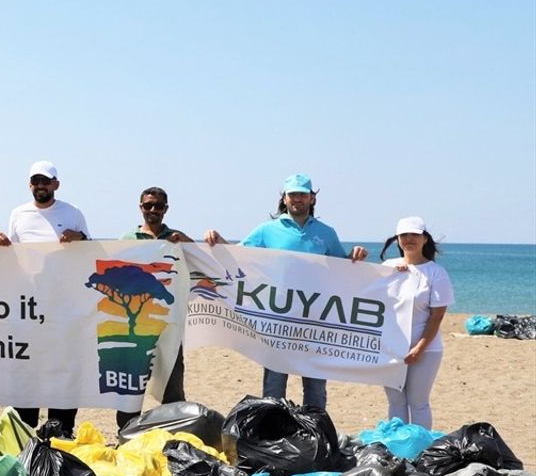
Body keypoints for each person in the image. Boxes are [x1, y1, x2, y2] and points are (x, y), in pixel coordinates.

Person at [204, 173, 367, 409]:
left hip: (314, 323)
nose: (297, 199)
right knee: (273, 388)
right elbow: (239, 258)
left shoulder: (327, 233)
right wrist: (218, 240)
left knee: (315, 389)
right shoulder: (266, 231)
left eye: (302, 194)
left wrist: (356, 257)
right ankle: (271, 437)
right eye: (292, 195)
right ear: (284, 198)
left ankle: (315, 432)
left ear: (312, 199)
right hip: (277, 323)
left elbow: (342, 270)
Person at [0, 161, 89, 436]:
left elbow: (90, 252)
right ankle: (25, 428)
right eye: (35, 181)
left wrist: (80, 236)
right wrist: (1, 245)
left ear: (56, 185)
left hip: (63, 304)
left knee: (62, 366)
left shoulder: (72, 213)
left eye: (46, 181)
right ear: (30, 185)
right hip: (28, 306)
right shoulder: (18, 214)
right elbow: (10, 254)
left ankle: (60, 428)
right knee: (28, 366)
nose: (40, 186)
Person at [116, 186, 190, 430]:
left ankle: (174, 436)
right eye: (148, 205)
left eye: (158, 206)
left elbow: (203, 260)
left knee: (172, 385)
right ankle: (126, 434)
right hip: (134, 327)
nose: (153, 210)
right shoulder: (126, 241)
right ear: (141, 208)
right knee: (130, 389)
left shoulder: (176, 239)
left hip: (169, 326)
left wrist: (186, 242)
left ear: (166, 209)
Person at [380, 216, 453, 428]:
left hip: (426, 350)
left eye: (414, 234)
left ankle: (420, 453)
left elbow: (437, 316)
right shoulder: (388, 266)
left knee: (418, 402)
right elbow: (369, 296)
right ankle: (398, 448)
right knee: (396, 402)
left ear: (424, 239)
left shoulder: (436, 272)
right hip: (391, 348)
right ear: (397, 240)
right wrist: (393, 274)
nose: (409, 239)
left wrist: (419, 348)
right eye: (404, 235)